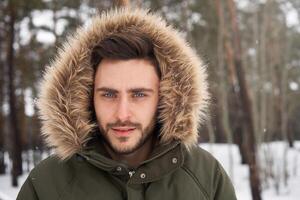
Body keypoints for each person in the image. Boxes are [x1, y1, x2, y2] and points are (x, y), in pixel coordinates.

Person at [17, 8, 237, 200]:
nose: (122, 114)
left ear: (165, 98)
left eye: (139, 95)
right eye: (109, 95)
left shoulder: (206, 178)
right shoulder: (47, 184)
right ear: (86, 98)